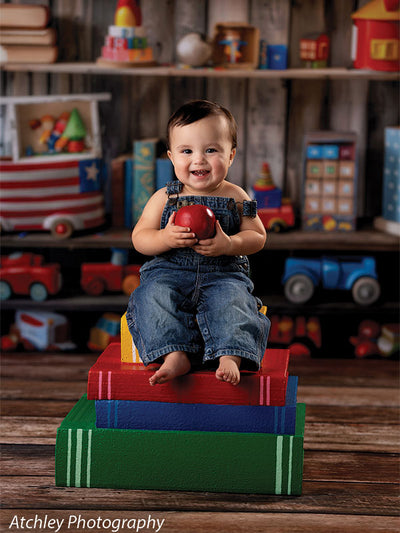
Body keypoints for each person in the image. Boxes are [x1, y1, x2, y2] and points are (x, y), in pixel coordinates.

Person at [126, 99, 270, 386]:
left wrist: (229, 244)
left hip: (223, 274)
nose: (199, 159)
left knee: (235, 302)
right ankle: (175, 353)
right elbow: (139, 238)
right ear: (171, 157)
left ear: (231, 155)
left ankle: (231, 355)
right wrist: (165, 237)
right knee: (151, 296)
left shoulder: (239, 196)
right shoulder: (164, 197)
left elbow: (258, 236)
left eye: (211, 150)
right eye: (187, 151)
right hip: (170, 274)